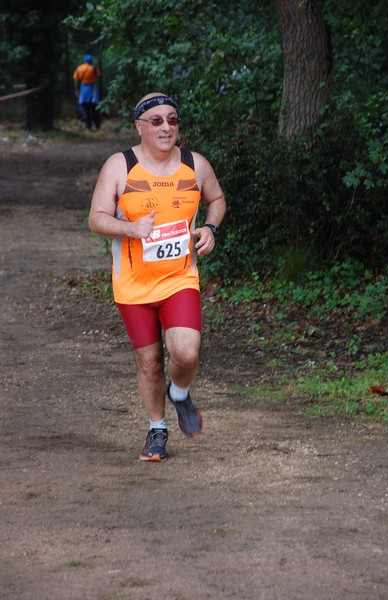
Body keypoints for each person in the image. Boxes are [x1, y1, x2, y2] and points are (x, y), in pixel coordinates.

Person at [88, 92, 226, 461]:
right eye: (157, 121)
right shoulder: (120, 166)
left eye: (173, 120)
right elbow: (96, 218)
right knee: (149, 361)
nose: (167, 127)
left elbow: (217, 199)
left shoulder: (195, 165)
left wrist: (210, 227)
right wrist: (131, 228)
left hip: (179, 278)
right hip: (133, 284)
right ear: (140, 126)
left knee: (186, 352)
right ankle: (157, 431)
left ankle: (179, 392)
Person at [73, 54, 101, 130]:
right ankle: (97, 125)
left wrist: (76, 90)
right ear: (91, 61)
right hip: (92, 90)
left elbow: (76, 79)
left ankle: (88, 126)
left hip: (83, 90)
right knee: (95, 108)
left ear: (84, 61)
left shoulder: (79, 68)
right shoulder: (93, 68)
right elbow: (98, 76)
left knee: (85, 108)